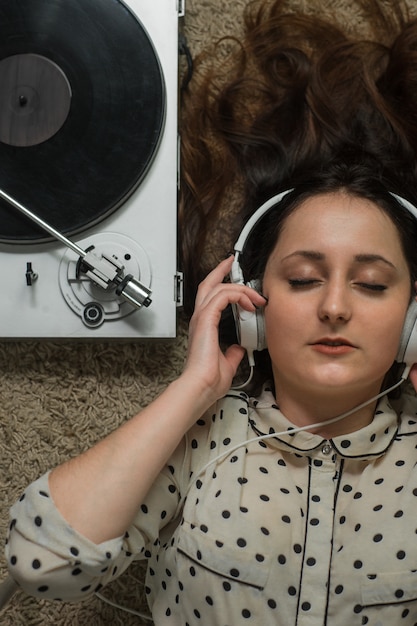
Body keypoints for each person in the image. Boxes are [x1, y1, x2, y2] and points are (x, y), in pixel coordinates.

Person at [6, 1, 417, 625]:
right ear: (251, 303)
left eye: (371, 284)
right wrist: (192, 389)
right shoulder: (202, 441)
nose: (335, 307)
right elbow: (41, 564)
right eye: (304, 279)